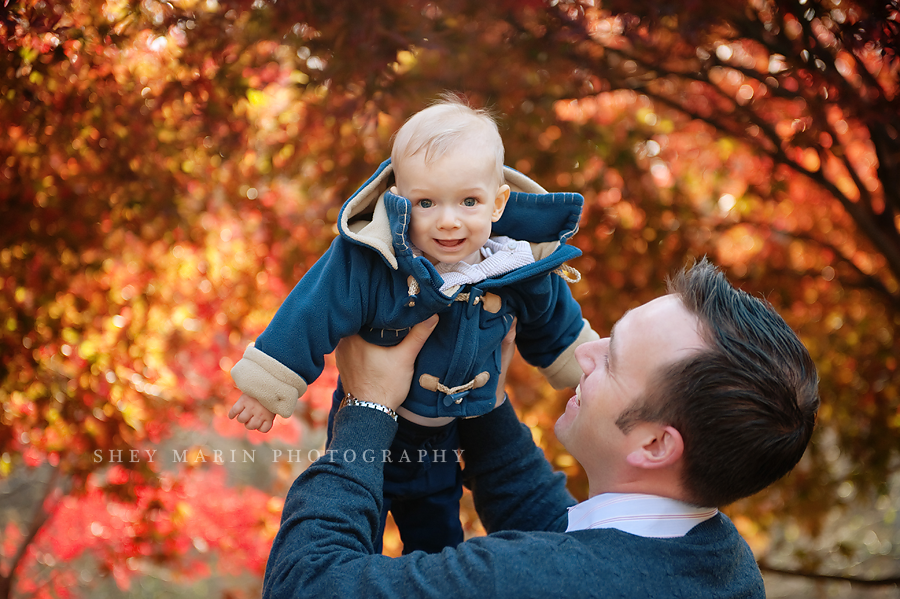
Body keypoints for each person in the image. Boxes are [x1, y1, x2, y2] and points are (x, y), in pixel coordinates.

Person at [260, 258, 820, 598]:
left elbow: (305, 584)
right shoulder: (720, 562)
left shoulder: (528, 584)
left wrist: (366, 408)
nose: (586, 355)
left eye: (615, 360)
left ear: (655, 444)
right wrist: (478, 396)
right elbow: (563, 534)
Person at [227, 94, 599, 553]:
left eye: (468, 201)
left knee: (439, 534)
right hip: (375, 427)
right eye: (426, 203)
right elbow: (312, 309)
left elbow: (552, 320)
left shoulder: (516, 262)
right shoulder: (374, 259)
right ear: (398, 201)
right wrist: (267, 385)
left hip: (448, 431)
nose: (447, 221)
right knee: (352, 517)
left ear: (498, 203)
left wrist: (581, 369)